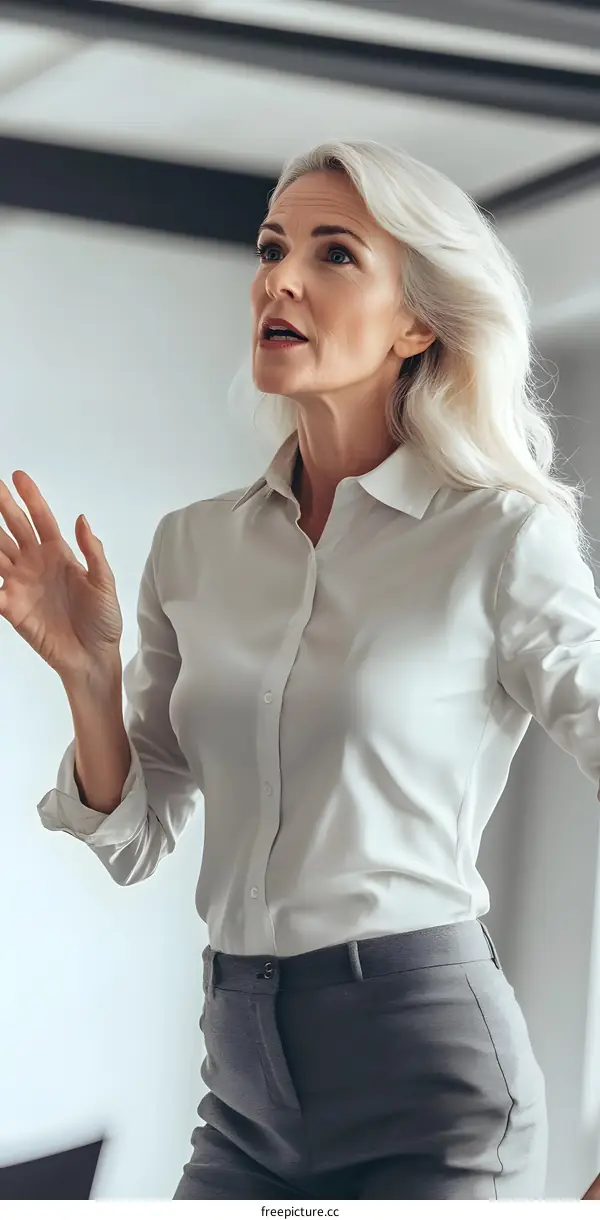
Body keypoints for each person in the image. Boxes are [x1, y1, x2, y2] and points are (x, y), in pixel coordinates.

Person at [1, 139, 599, 1201]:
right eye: (273, 247)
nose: (278, 276)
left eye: (334, 254)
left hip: (431, 1087)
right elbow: (136, 839)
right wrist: (90, 674)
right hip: (242, 1087)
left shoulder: (501, 537)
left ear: (418, 322)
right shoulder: (195, 548)